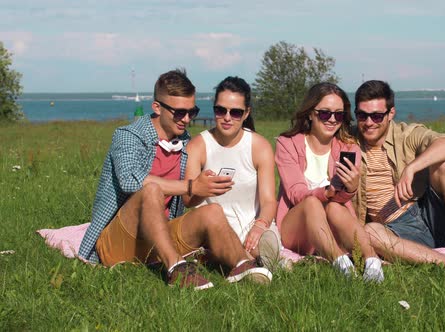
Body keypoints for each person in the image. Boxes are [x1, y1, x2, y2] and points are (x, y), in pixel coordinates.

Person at [78, 69, 271, 290]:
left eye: (192, 112)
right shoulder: (129, 135)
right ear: (157, 107)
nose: (187, 119)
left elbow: (190, 199)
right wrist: (191, 185)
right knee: (151, 190)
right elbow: (131, 181)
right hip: (120, 241)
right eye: (179, 113)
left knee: (213, 211)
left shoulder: (184, 141)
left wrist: (204, 188)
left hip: (161, 237)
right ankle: (176, 269)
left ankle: (243, 265)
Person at [352, 80, 445, 275]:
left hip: (428, 213)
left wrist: (412, 168)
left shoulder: (406, 134)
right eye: (362, 115)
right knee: (369, 232)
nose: (368, 122)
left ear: (391, 113)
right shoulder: (348, 142)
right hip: (396, 231)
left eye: (376, 116)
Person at [275, 82, 384, 282]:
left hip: (334, 228)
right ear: (310, 113)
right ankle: (341, 263)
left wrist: (350, 189)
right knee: (311, 202)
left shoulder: (349, 148)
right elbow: (295, 192)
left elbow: (341, 197)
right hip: (298, 229)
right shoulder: (287, 143)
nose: (332, 120)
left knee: (335, 207)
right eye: (325, 113)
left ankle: (372, 263)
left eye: (338, 114)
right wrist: (325, 192)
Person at [184, 76, 281, 269]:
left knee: (264, 244)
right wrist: (202, 188)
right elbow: (188, 201)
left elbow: (269, 201)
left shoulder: (259, 146)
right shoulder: (198, 146)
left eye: (235, 112)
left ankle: (246, 259)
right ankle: (246, 263)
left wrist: (260, 226)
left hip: (251, 225)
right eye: (220, 110)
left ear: (246, 113)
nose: (227, 118)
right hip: (213, 229)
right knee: (234, 247)